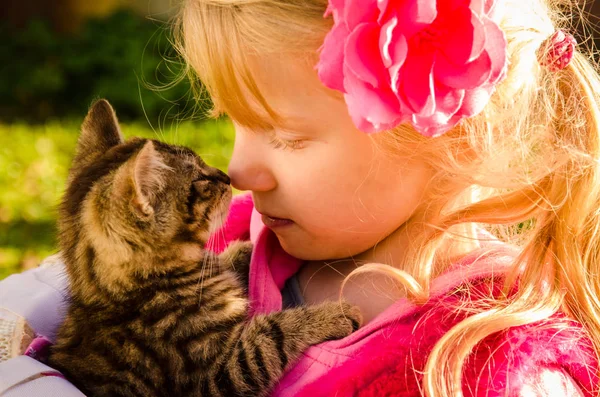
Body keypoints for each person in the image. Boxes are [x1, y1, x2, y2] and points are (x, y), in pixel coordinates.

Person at [2, 0, 600, 395]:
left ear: (454, 140)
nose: (236, 170)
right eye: (230, 122)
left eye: (286, 136)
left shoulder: (495, 365)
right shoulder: (246, 235)